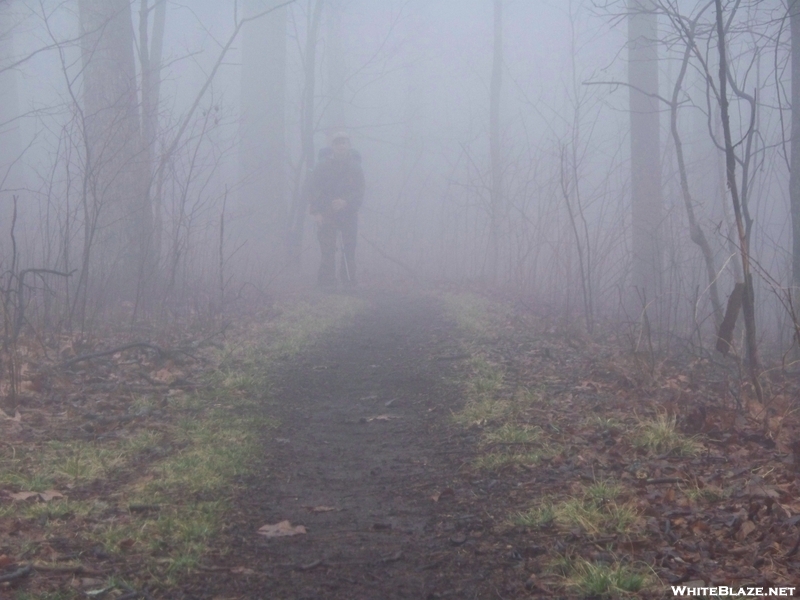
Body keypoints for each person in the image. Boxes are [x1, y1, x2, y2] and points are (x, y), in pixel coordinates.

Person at [307, 131, 365, 288]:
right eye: (337, 143)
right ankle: (326, 285)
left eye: (344, 142)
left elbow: (360, 191)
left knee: (349, 249)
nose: (341, 145)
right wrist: (316, 212)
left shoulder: (355, 167)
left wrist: (346, 202)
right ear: (332, 146)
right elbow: (313, 190)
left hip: (349, 214)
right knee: (327, 250)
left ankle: (348, 283)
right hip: (326, 213)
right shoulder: (321, 166)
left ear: (349, 145)